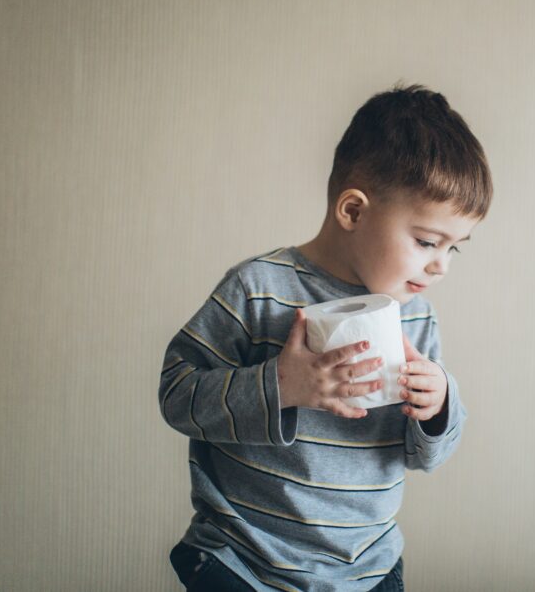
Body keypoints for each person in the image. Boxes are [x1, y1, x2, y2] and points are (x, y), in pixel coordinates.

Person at [159, 84, 493, 591]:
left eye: (454, 249)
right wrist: (281, 386)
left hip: (366, 569)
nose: (440, 266)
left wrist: (439, 405)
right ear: (354, 211)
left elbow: (423, 456)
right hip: (243, 561)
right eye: (427, 241)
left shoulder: (416, 319)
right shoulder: (258, 290)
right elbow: (177, 395)